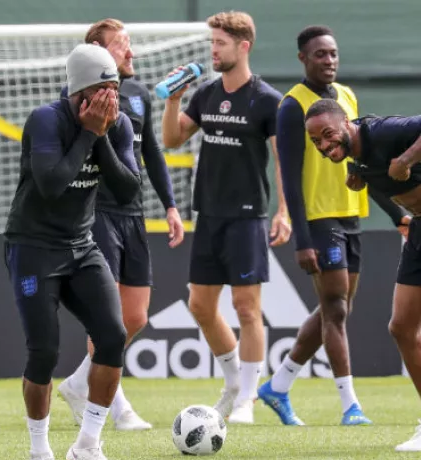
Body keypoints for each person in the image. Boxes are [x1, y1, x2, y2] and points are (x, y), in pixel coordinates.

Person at [258, 26, 408, 426]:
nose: (329, 61)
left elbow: (362, 165)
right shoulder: (292, 106)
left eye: (333, 54)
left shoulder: (346, 97)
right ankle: (350, 406)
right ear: (303, 59)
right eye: (320, 54)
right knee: (336, 309)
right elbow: (289, 174)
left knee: (335, 308)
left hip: (349, 213)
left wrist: (396, 214)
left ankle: (279, 384)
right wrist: (301, 237)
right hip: (318, 218)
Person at [5, 44, 139, 460]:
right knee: (44, 350)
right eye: (103, 89)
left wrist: (99, 135)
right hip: (33, 247)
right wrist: (87, 135)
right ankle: (39, 451)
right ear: (81, 91)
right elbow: (50, 185)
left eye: (115, 89)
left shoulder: (116, 125)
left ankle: (87, 445)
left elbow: (127, 191)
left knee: (113, 336)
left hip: (82, 246)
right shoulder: (46, 119)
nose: (111, 99)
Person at [161, 11, 291, 424]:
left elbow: (282, 159)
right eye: (212, 42)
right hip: (209, 215)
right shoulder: (205, 94)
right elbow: (171, 138)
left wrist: (284, 211)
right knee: (199, 304)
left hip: (248, 216)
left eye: (220, 43)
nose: (213, 50)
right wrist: (173, 99)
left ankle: (246, 398)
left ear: (243, 46)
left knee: (247, 308)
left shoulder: (268, 100)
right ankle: (235, 380)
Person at [58, 18, 184, 432]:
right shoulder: (77, 97)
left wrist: (169, 205)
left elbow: (152, 152)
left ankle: (79, 382)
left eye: (129, 46)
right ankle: (116, 406)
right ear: (97, 52)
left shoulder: (139, 93)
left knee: (136, 316)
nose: (130, 53)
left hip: (133, 215)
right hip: (96, 214)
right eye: (121, 46)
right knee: (108, 317)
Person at [304, 98, 421, 450]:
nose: (324, 146)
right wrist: (361, 177)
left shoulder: (382, 131)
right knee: (401, 327)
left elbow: (400, 161)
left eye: (327, 135)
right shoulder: (356, 157)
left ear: (346, 124)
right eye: (316, 143)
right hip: (418, 230)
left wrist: (406, 159)